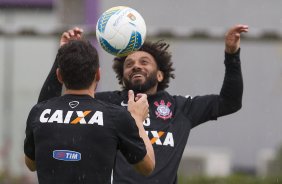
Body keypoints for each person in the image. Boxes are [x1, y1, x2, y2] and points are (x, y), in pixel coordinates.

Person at [38, 24, 248, 184]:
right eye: (129, 64)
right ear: (123, 75)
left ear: (159, 74)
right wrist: (63, 57)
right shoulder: (106, 104)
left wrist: (232, 55)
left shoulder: (180, 108)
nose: (136, 66)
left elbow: (230, 102)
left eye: (144, 62)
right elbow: (48, 110)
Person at [24, 40, 155, 184]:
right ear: (98, 74)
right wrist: (136, 119)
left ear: (59, 76)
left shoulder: (38, 112)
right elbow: (147, 167)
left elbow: (31, 164)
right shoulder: (114, 116)